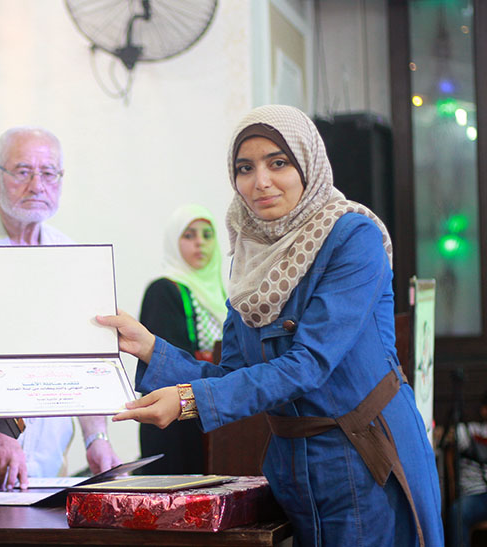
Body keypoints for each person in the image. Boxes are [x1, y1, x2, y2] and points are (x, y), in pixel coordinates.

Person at [99, 105, 443, 546]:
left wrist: (189, 401)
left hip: (364, 458)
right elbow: (232, 374)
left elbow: (308, 364)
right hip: (293, 468)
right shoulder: (249, 258)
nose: (260, 181)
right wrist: (149, 347)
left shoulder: (353, 237)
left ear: (307, 165)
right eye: (245, 168)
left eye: (278, 162)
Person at [0, 126, 120, 494]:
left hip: (49, 456)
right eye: (23, 171)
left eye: (48, 173)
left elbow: (85, 358)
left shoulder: (71, 254)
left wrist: (96, 437)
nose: (37, 186)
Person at [135, 204, 226, 475]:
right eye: (189, 235)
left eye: (207, 235)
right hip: (176, 423)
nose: (200, 243)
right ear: (174, 242)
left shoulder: (225, 294)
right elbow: (168, 363)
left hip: (213, 413)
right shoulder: (164, 290)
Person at [449, 391, 487, 547]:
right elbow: (453, 436)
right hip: (475, 495)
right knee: (458, 512)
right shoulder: (471, 430)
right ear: (484, 410)